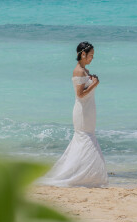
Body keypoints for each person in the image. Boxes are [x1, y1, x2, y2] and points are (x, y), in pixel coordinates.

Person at [39, 42, 109, 187]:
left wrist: (92, 80)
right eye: (90, 56)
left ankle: (84, 175)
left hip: (89, 110)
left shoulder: (86, 70)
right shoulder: (78, 71)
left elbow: (85, 88)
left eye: (93, 56)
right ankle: (78, 175)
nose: (92, 58)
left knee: (88, 138)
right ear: (83, 54)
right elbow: (80, 94)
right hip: (82, 111)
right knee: (85, 139)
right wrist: (94, 84)